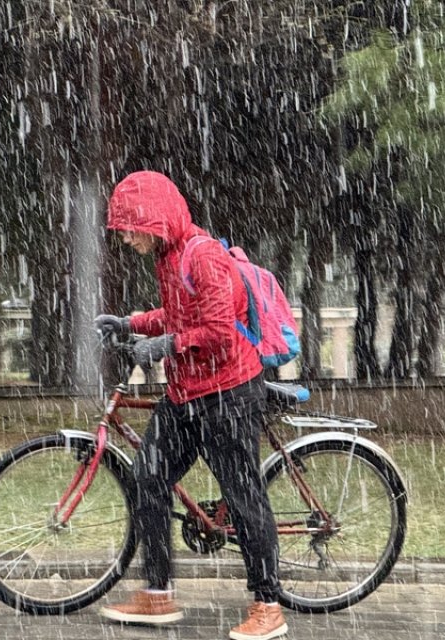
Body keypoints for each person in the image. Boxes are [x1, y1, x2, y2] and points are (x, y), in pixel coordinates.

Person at [94, 170, 286, 640]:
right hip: (184, 395)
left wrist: (163, 346)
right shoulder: (169, 257)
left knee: (244, 498)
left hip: (228, 394)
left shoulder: (203, 257)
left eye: (130, 230)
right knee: (147, 477)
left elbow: (219, 330)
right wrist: (132, 323)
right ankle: (157, 594)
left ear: (155, 222)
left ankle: (268, 605)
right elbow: (181, 315)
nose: (126, 240)